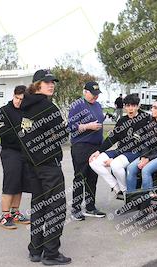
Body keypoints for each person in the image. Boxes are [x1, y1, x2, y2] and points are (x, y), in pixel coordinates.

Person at [19, 69, 71, 265]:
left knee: (38, 207)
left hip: (32, 165)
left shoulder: (25, 106)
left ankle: (35, 250)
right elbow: (62, 135)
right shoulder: (48, 108)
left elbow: (23, 135)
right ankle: (51, 254)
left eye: (53, 82)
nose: (52, 85)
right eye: (47, 82)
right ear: (36, 84)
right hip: (49, 165)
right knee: (56, 208)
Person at [89, 94, 150, 197]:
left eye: (133, 106)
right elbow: (112, 138)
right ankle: (117, 187)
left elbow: (147, 140)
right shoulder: (122, 121)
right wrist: (99, 151)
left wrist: (115, 159)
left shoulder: (145, 119)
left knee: (115, 165)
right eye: (128, 106)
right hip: (121, 151)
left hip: (135, 152)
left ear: (138, 106)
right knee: (94, 161)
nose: (130, 108)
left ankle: (125, 191)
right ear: (124, 106)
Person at [67, 81, 106, 221]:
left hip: (95, 147)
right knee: (80, 177)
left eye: (97, 94)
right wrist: (88, 126)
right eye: (93, 94)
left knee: (92, 177)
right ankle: (76, 208)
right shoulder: (77, 105)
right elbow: (70, 126)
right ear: (85, 92)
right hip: (81, 146)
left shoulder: (97, 105)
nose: (95, 97)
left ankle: (90, 207)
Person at [0, 85, 31, 230]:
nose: (18, 101)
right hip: (10, 152)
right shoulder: (3, 111)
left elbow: (29, 131)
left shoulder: (27, 112)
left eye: (21, 99)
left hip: (24, 153)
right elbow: (5, 133)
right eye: (17, 98)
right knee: (10, 182)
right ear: (13, 95)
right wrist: (21, 134)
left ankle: (15, 212)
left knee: (20, 183)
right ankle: (5, 215)